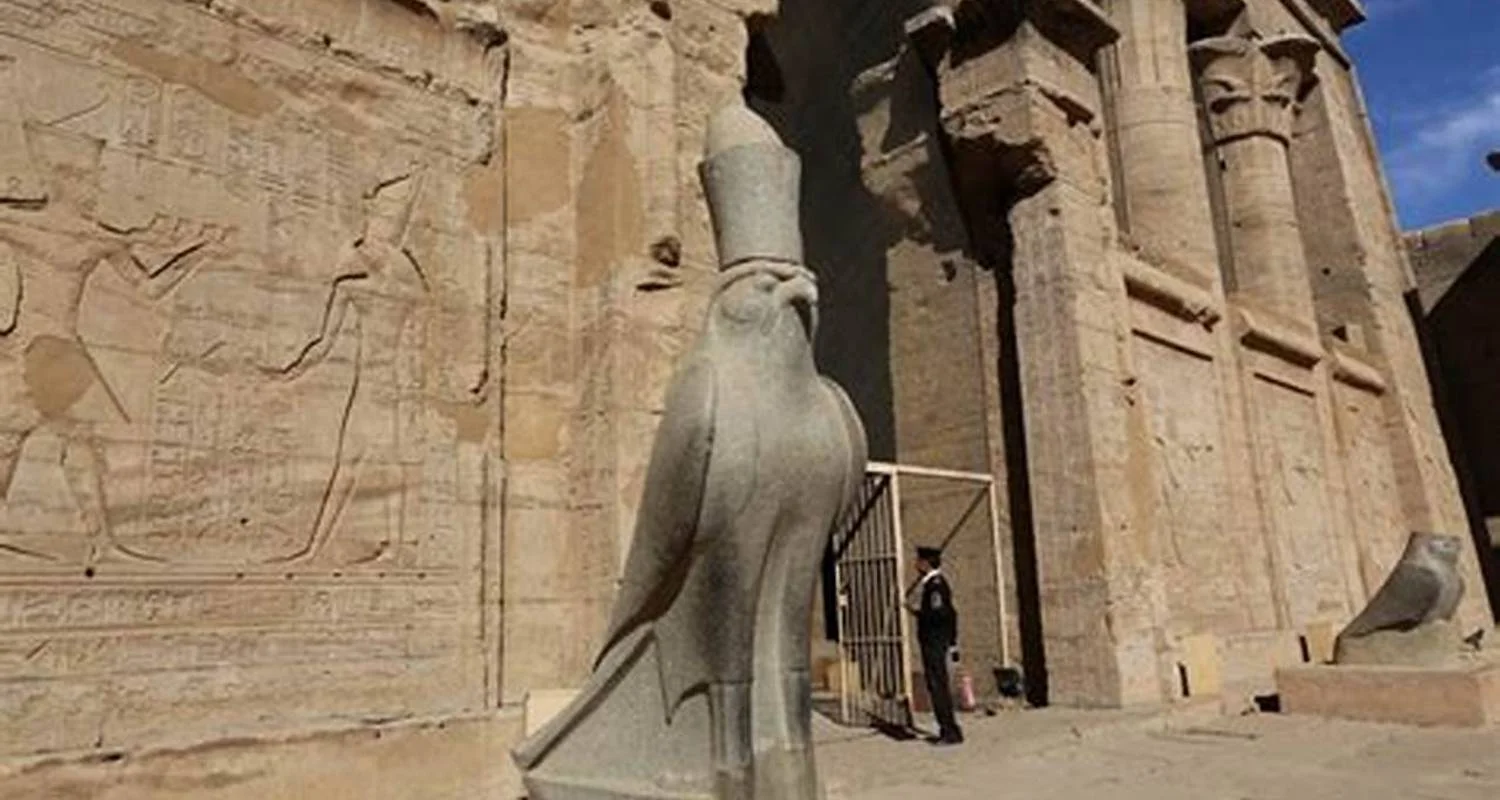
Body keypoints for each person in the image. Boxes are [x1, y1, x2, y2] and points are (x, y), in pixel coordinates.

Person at [905, 545, 963, 745]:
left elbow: (939, 615)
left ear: (926, 563)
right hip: (936, 641)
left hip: (934, 642)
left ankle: (949, 731)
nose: (916, 564)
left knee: (938, 685)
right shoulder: (931, 584)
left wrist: (918, 613)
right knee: (936, 684)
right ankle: (949, 729)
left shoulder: (935, 585)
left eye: (919, 561)